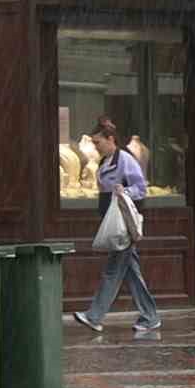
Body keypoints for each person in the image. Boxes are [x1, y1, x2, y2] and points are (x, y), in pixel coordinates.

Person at [72, 119, 161, 334]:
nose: (95, 146)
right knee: (131, 272)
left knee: (113, 271)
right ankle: (150, 316)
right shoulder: (106, 161)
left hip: (122, 227)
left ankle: (94, 316)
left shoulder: (125, 161)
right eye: (93, 143)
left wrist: (124, 192)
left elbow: (140, 188)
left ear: (111, 139)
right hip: (114, 224)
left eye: (98, 142)